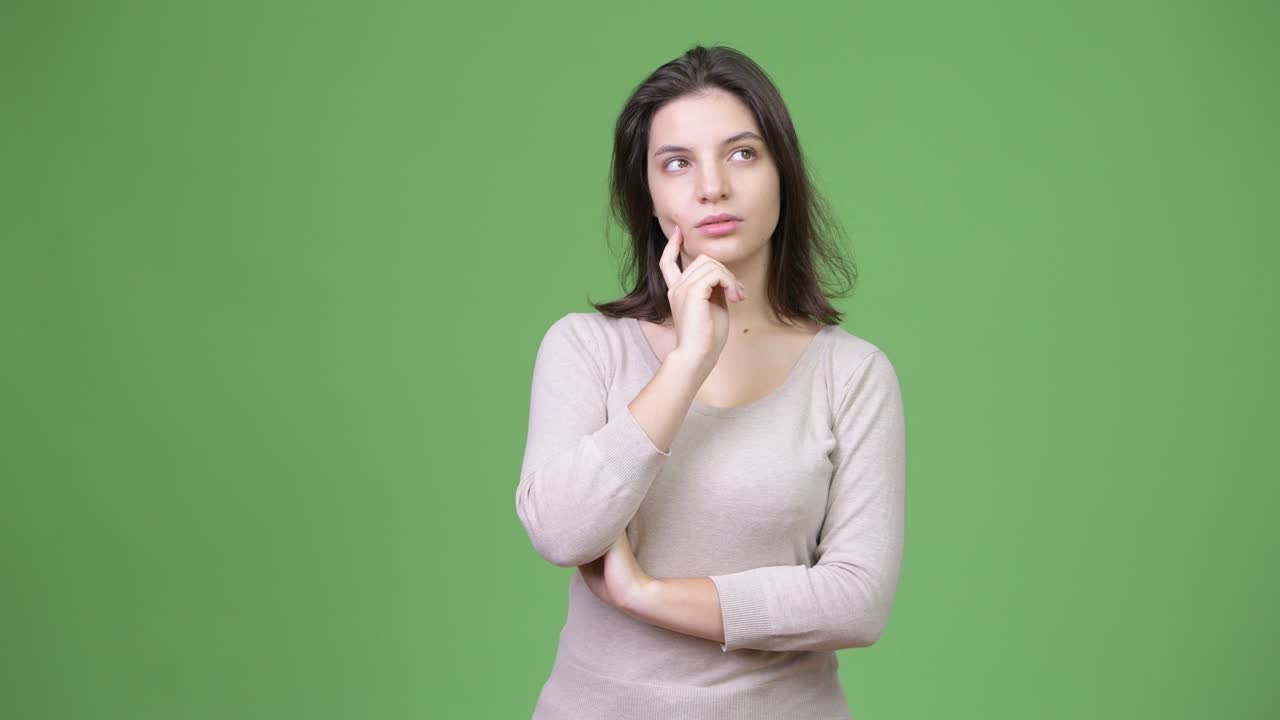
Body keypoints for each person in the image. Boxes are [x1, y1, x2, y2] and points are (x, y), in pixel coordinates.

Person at [515, 44, 907, 719]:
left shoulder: (853, 374)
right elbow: (560, 530)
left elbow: (857, 601)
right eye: (677, 163)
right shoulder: (585, 349)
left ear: (783, 171)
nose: (712, 188)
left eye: (742, 153)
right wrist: (687, 363)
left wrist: (648, 595)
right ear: (648, 196)